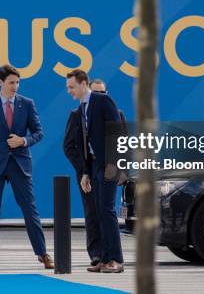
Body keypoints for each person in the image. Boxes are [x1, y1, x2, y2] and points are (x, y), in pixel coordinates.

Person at [0, 65, 53, 271]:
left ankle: (43, 253)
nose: (15, 86)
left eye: (17, 82)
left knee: (30, 209)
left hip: (20, 164)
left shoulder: (27, 104)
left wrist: (23, 141)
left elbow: (39, 132)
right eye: (11, 83)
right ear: (1, 82)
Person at [66, 69, 124, 273]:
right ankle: (105, 258)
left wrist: (116, 164)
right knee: (99, 211)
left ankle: (116, 259)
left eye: (71, 87)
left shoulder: (102, 101)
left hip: (108, 165)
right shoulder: (82, 108)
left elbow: (118, 134)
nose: (69, 91)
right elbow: (84, 144)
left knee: (107, 210)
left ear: (84, 84)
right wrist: (85, 173)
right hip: (95, 166)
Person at [63, 107, 103, 267]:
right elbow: (68, 146)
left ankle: (111, 252)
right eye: (96, 93)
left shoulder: (115, 113)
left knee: (107, 211)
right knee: (92, 210)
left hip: (108, 169)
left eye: (103, 92)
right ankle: (96, 253)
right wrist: (83, 169)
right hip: (88, 169)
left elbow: (121, 142)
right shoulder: (77, 115)